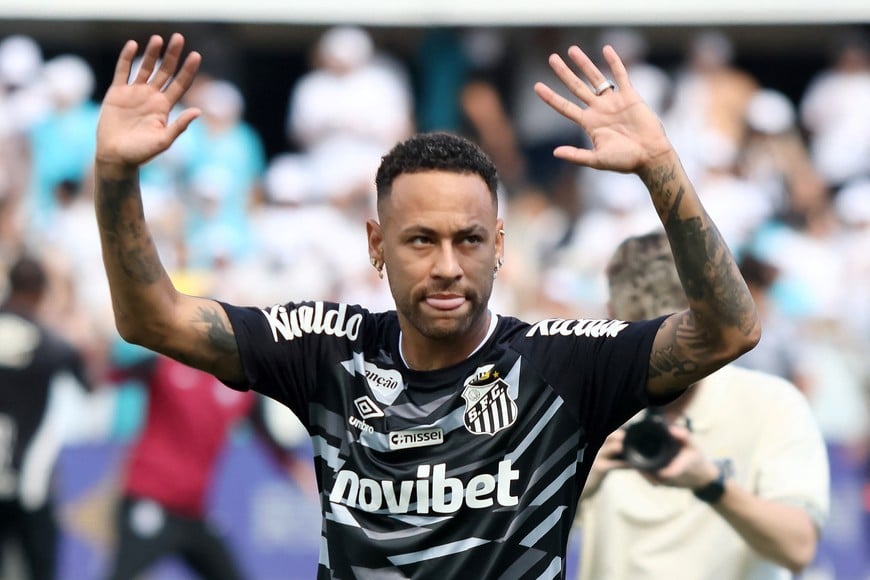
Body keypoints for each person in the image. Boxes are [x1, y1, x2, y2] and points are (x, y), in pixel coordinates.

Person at [92, 33, 760, 578]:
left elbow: (729, 330)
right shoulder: (327, 349)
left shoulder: (565, 361)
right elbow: (150, 318)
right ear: (377, 245)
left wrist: (661, 167)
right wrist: (118, 175)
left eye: (469, 240)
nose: (446, 266)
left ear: (499, 245)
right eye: (420, 241)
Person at [574, 230, 829, 580]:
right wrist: (578, 479)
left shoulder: (772, 403)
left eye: (675, 343)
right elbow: (502, 537)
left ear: (705, 319)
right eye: (643, 346)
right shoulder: (585, 407)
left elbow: (799, 548)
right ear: (610, 318)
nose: (665, 365)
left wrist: (712, 484)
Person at [102, 350, 314, 580]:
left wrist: (295, 468)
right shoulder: (164, 365)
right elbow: (109, 377)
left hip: (193, 512)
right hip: (149, 500)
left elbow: (267, 437)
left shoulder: (241, 388)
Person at [0, 253, 93, 580]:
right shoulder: (51, 344)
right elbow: (90, 385)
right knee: (41, 567)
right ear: (40, 292)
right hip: (30, 478)